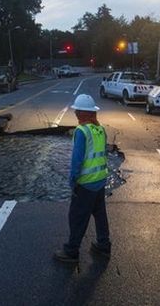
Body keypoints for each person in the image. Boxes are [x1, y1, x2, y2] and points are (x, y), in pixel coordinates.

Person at [55, 94, 111, 263]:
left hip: (86, 184)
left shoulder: (81, 131)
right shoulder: (101, 130)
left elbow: (77, 160)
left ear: (82, 113)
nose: (76, 114)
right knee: (100, 215)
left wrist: (73, 181)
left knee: (77, 217)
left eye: (77, 111)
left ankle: (72, 251)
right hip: (100, 181)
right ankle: (103, 245)